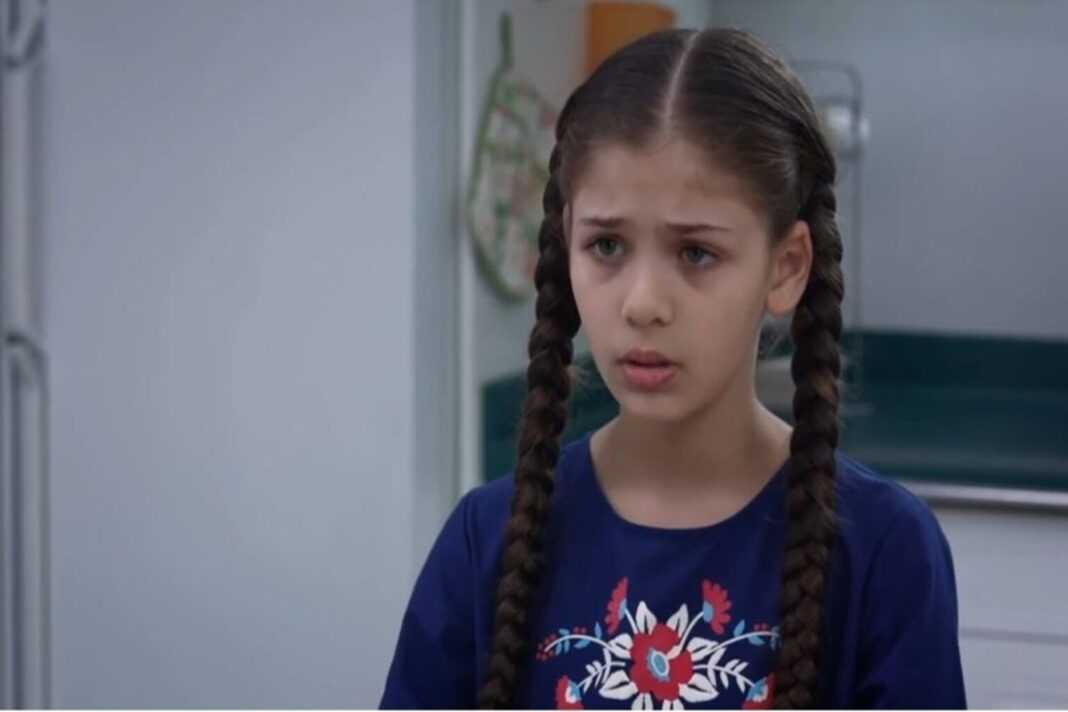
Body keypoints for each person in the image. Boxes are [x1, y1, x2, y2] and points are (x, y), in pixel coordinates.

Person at [380, 27, 966, 710]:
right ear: (565, 244)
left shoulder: (886, 550)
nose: (642, 304)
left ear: (786, 267)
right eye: (606, 246)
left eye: (695, 254)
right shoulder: (485, 539)